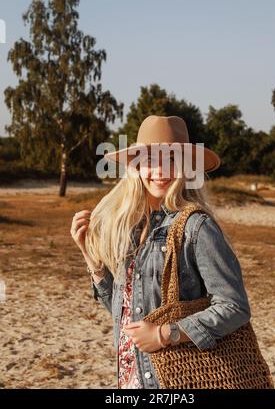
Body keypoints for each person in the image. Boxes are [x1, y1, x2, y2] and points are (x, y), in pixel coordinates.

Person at [70, 115, 251, 389]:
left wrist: (166, 333)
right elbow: (126, 313)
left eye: (170, 159)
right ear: (137, 167)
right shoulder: (131, 228)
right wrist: (91, 258)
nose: (159, 170)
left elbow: (234, 306)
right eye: (150, 159)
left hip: (179, 380)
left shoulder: (196, 227)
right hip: (133, 378)